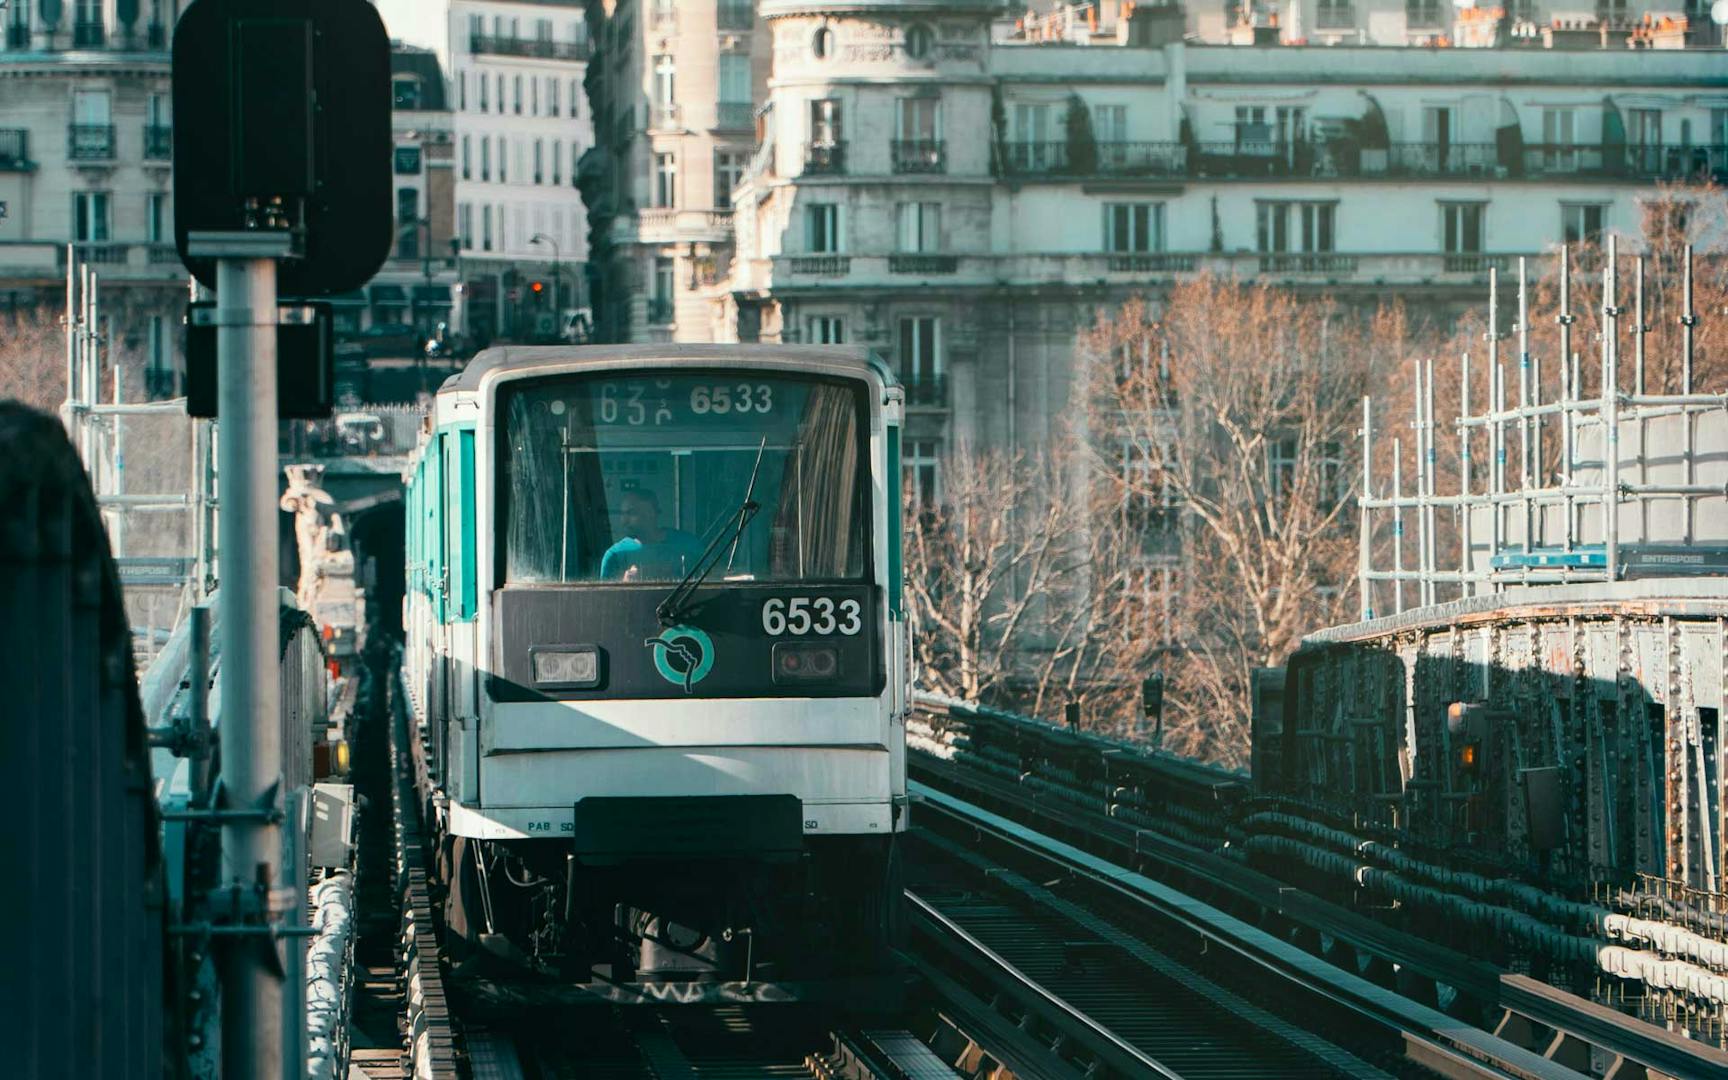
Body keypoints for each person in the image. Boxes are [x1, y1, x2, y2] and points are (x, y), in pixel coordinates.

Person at [600, 489, 703, 581]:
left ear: (651, 513)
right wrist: (626, 583)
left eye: (631, 513)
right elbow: (604, 596)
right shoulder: (615, 555)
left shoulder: (689, 545)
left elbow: (707, 583)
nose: (624, 521)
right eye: (622, 514)